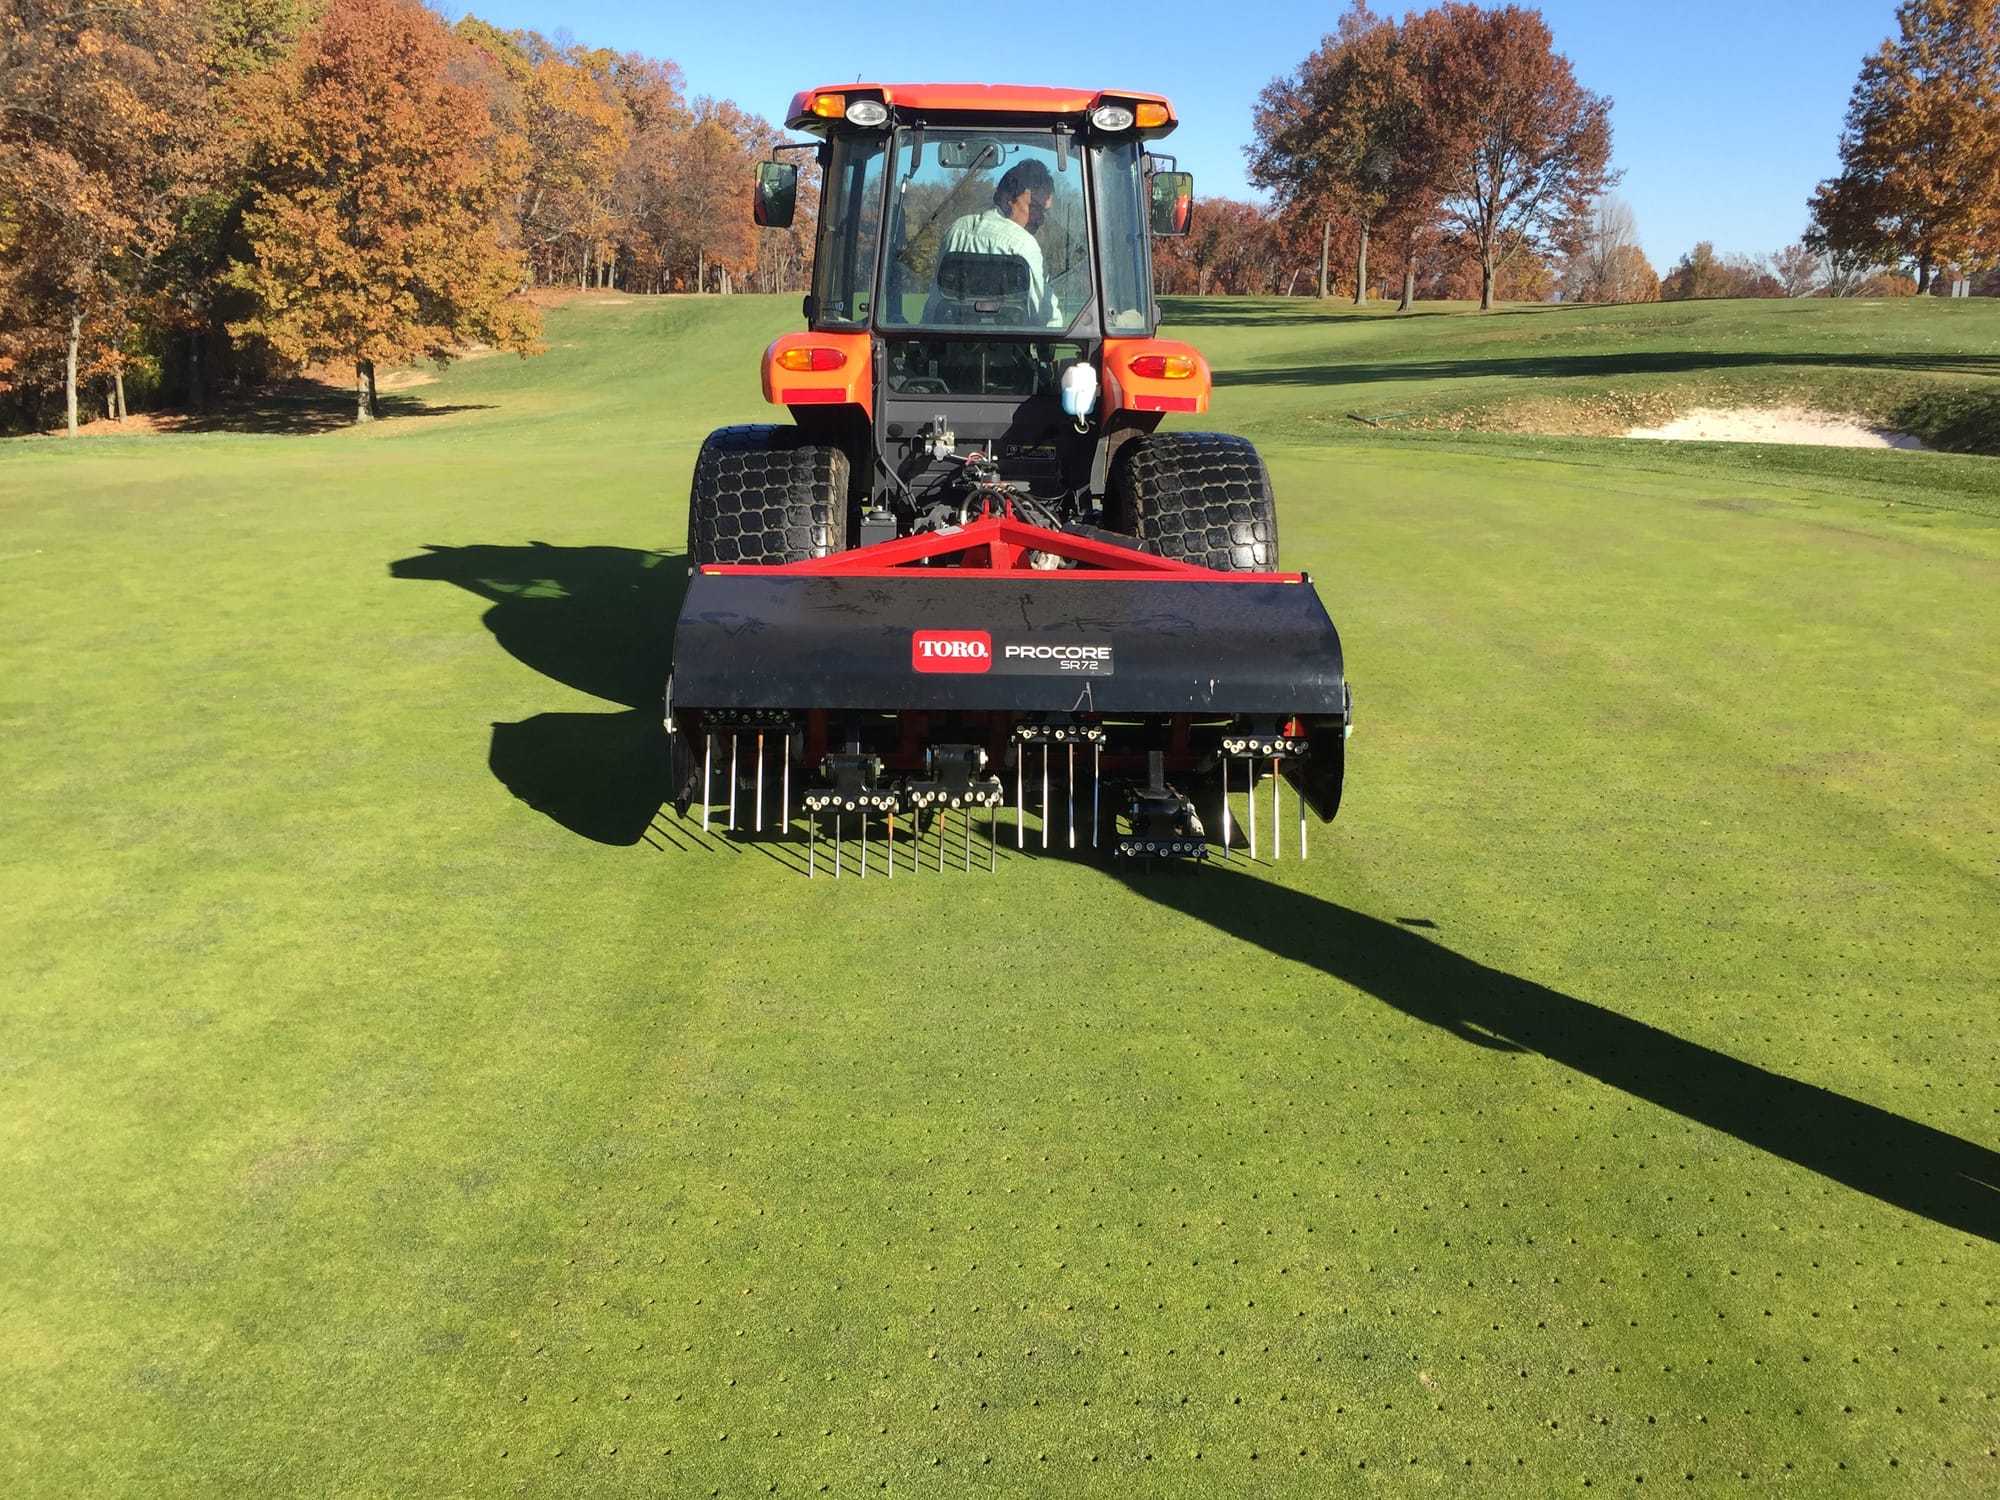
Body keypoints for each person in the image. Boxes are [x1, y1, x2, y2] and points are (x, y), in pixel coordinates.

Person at [931, 159, 1063, 327]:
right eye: (1034, 207)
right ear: (1007, 199)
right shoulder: (1024, 245)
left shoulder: (956, 232)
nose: (1040, 219)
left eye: (1044, 212)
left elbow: (932, 310)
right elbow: (1046, 319)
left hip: (952, 343)